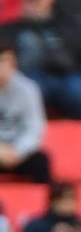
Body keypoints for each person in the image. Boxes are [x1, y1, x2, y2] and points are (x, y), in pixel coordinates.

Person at [1, 0, 81, 121]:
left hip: (65, 78)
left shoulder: (68, 26)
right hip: (27, 78)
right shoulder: (9, 30)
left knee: (78, 89)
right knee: (28, 90)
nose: (30, 3)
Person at [0, 36, 50, 183]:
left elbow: (35, 128)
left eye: (5, 60)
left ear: (14, 62)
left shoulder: (28, 89)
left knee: (41, 161)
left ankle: (45, 204)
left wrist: (18, 151)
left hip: (17, 153)